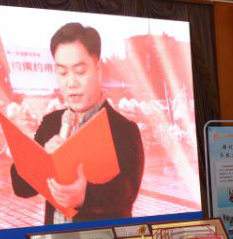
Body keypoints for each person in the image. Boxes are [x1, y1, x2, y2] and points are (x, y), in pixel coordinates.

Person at [11, 23, 144, 224]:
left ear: (98, 71)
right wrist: (42, 160)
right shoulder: (51, 123)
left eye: (80, 71)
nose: (71, 83)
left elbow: (126, 193)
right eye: (62, 73)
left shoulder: (123, 129)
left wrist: (85, 196)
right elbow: (21, 188)